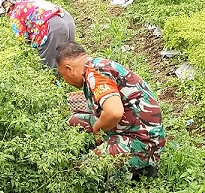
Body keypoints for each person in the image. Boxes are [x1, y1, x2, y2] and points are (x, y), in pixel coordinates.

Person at [56, 42, 165, 179]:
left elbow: (114, 113)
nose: (65, 80)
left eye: (63, 75)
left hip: (142, 142)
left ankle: (140, 170)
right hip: (127, 128)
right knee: (73, 121)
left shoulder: (96, 74)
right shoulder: (97, 66)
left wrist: (97, 131)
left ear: (69, 69)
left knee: (84, 171)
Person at [0, 0, 76, 68]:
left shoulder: (16, 11)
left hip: (54, 26)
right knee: (68, 55)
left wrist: (24, 53)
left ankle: (56, 80)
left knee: (49, 64)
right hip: (67, 20)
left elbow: (22, 37)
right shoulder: (31, 1)